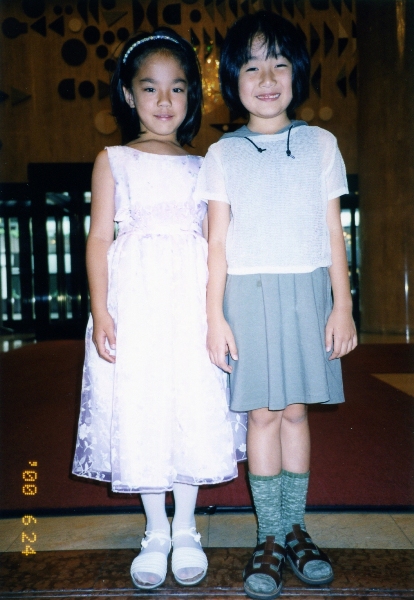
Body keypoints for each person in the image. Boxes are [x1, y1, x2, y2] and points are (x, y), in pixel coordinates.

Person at [195, 11, 357, 599]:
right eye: (252, 68)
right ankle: (268, 534)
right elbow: (216, 244)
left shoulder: (321, 144)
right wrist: (215, 317)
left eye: (280, 65)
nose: (267, 79)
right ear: (232, 80)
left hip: (307, 291)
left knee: (295, 412)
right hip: (247, 294)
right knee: (262, 414)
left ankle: (295, 529)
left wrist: (343, 305)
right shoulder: (222, 153)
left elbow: (334, 233)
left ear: (298, 74)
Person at [72, 27, 239, 591]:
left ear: (193, 96)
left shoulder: (205, 163)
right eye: (150, 88)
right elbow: (99, 237)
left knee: (189, 399)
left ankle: (186, 526)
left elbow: (215, 243)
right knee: (142, 402)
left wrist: (217, 315)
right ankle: (156, 530)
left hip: (190, 300)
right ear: (128, 94)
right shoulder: (113, 159)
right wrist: (101, 311)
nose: (164, 101)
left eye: (178, 88)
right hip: (137, 300)